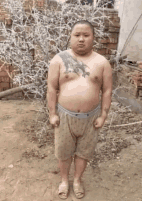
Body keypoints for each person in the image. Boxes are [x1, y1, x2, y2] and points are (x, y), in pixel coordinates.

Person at [47, 20, 112, 199]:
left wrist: (103, 116)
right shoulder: (59, 59)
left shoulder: (102, 62)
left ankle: (76, 180)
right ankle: (64, 181)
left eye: (86, 35)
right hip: (64, 115)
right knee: (63, 151)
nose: (81, 39)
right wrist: (52, 114)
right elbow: (51, 88)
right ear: (70, 37)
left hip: (91, 118)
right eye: (77, 35)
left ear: (93, 38)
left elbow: (107, 90)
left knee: (84, 152)